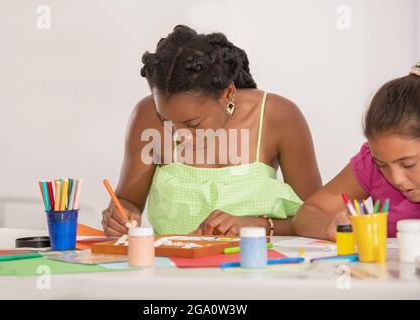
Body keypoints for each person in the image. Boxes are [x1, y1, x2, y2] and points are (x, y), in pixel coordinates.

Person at [102, 25, 321, 236]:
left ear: (227, 94)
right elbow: (128, 201)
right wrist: (120, 216)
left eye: (193, 124)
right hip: (170, 269)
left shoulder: (279, 116)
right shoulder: (147, 115)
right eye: (166, 120)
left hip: (256, 267)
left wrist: (258, 226)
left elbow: (315, 216)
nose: (179, 135)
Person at [292, 63, 420, 240]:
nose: (397, 179)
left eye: (408, 164)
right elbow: (305, 215)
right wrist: (330, 225)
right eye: (382, 165)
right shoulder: (370, 162)